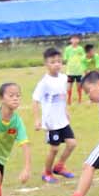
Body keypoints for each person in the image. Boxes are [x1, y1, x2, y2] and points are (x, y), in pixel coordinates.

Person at [32, 48, 78, 184]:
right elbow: (35, 100)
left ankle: (59, 167)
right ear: (46, 64)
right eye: (53, 62)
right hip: (51, 122)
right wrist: (37, 119)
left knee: (72, 144)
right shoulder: (44, 82)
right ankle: (46, 173)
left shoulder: (64, 78)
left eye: (59, 61)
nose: (57, 64)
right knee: (54, 148)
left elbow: (62, 97)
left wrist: (66, 111)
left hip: (62, 120)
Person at [63, 35, 88, 104]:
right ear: (70, 40)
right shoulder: (67, 49)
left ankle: (80, 99)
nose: (75, 40)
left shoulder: (80, 49)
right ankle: (69, 99)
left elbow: (84, 58)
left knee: (79, 85)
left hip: (79, 71)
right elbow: (65, 58)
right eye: (73, 39)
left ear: (78, 40)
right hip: (70, 71)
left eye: (76, 39)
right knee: (69, 85)